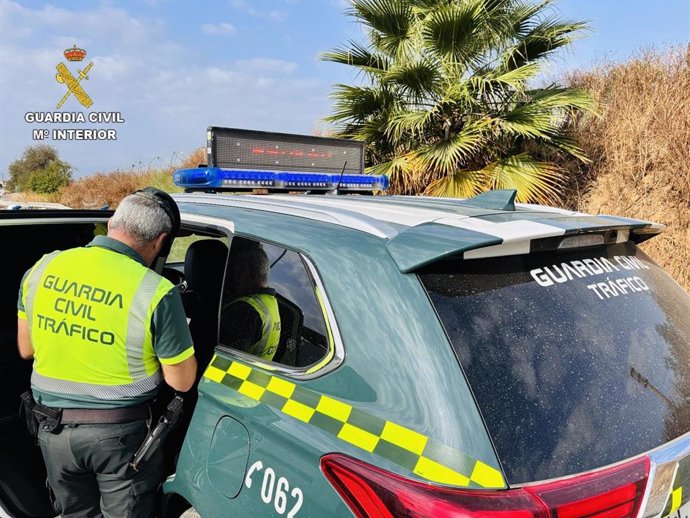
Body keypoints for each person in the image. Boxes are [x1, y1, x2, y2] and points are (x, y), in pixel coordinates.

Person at [16, 187, 197, 518]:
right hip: (119, 439)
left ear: (113, 223)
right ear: (159, 241)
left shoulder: (42, 268)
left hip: (52, 430)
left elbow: (25, 349)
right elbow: (182, 382)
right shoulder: (156, 291)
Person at [220, 244, 281, 360]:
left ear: (244, 271)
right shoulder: (271, 303)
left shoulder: (243, 311)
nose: (233, 276)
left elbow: (224, 361)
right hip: (257, 376)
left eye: (235, 270)